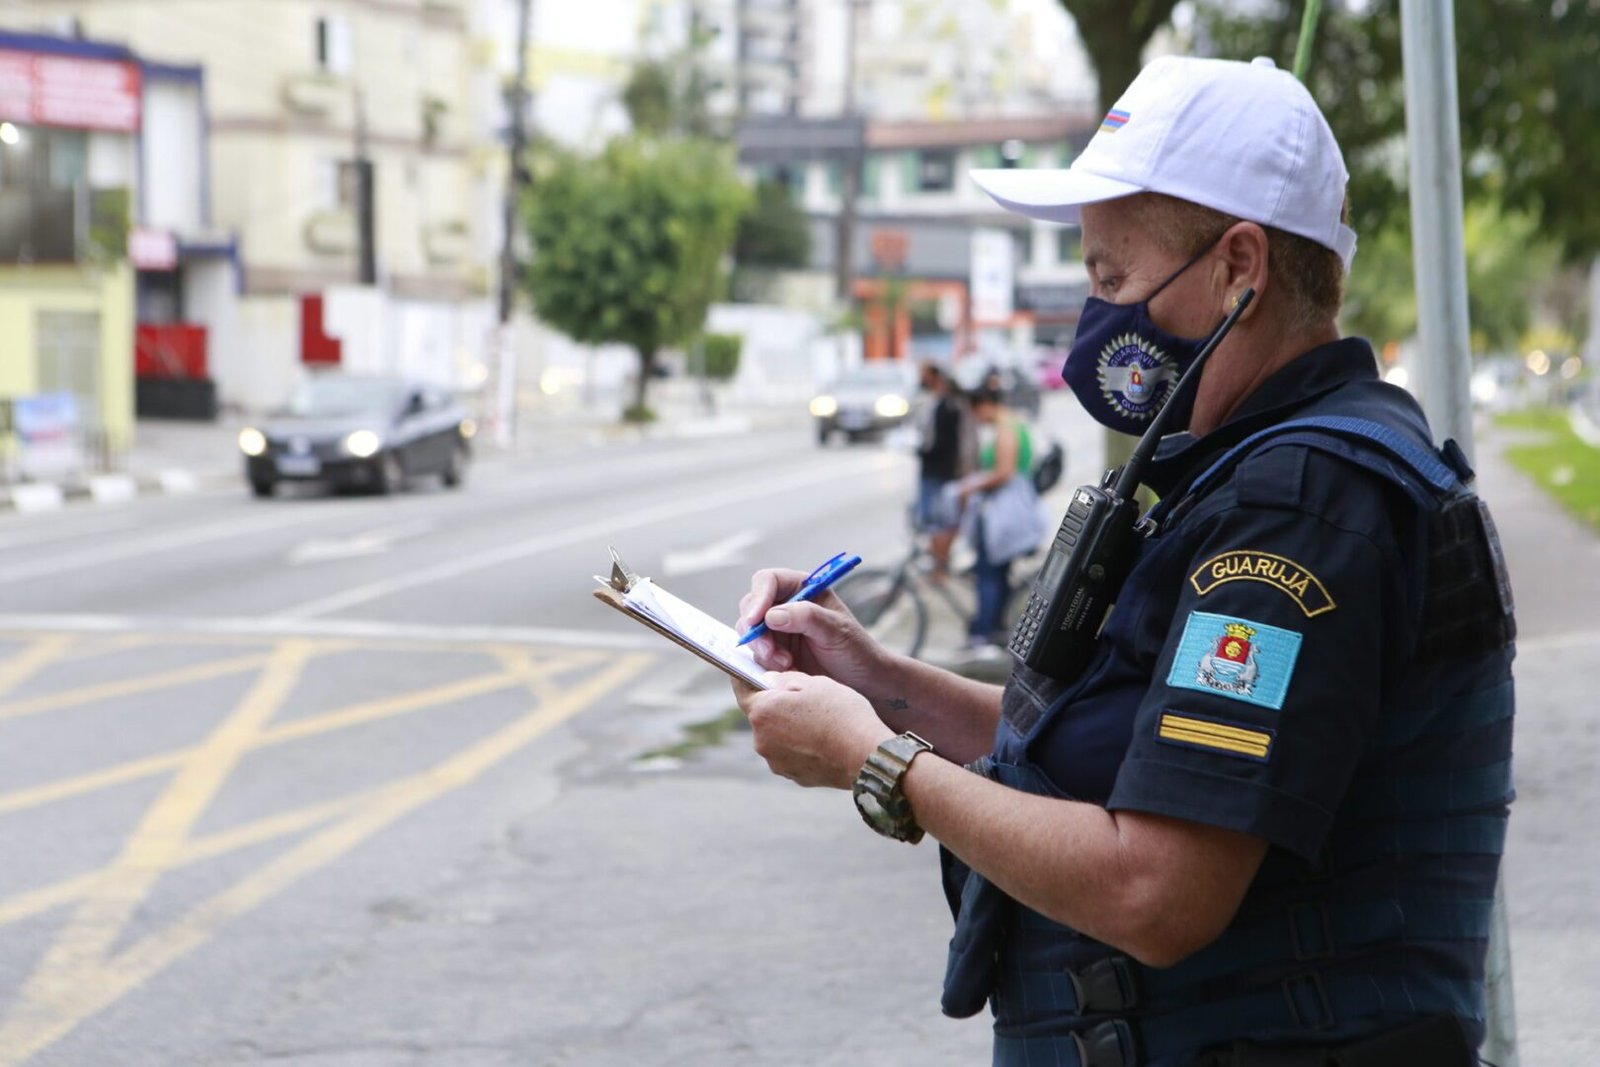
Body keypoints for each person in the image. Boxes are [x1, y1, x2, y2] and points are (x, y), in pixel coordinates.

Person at [732, 54, 1514, 1066]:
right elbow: (1103, 755)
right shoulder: (1244, 473)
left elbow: (1156, 890)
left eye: (1113, 275)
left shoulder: (1299, 507)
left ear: (1241, 266)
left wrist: (875, 760)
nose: (1096, 313)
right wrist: (876, 683)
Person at [954, 382, 1039, 648]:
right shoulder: (1016, 424)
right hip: (1011, 508)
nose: (978, 419)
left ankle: (984, 633)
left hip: (1002, 512)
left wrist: (971, 485)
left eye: (976, 412)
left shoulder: (1006, 429)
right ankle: (996, 629)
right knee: (998, 572)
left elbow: (1004, 472)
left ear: (985, 405)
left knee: (988, 572)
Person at [912, 361, 966, 580]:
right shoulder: (937, 402)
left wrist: (920, 451)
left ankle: (939, 569)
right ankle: (939, 566)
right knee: (937, 522)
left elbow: (943, 443)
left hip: (939, 471)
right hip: (936, 470)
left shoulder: (948, 405)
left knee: (938, 522)